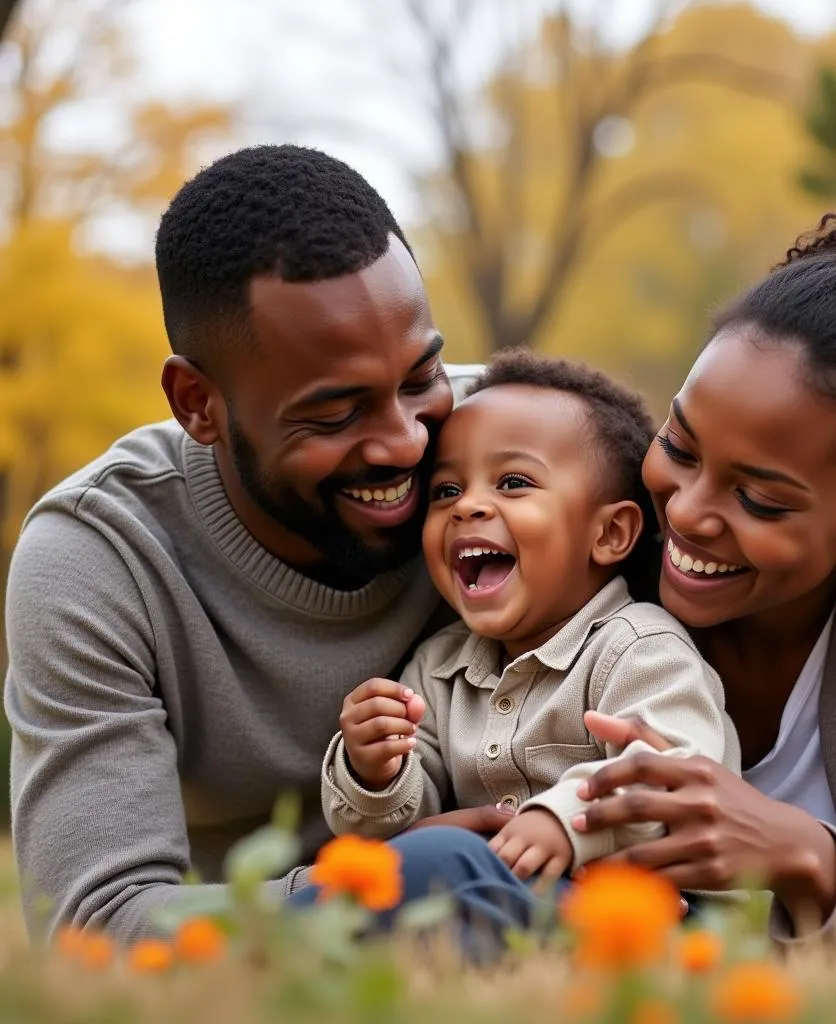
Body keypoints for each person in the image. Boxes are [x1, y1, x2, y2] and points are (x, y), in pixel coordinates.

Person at [386, 207, 836, 945]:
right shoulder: (589, 547)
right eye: (681, 447)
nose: (686, 514)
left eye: (759, 498)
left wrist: (803, 855)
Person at [3, 143, 495, 943]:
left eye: (418, 380)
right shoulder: (100, 554)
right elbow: (94, 927)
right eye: (336, 414)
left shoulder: (520, 453)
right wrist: (383, 884)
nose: (405, 443)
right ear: (198, 402)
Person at [321, 352, 740, 881]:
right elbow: (392, 828)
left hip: (660, 912)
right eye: (447, 490)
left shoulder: (638, 648)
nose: (468, 506)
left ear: (609, 534)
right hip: (517, 903)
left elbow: (676, 769)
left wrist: (563, 820)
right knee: (397, 883)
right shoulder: (438, 668)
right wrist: (374, 769)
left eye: (513, 482)